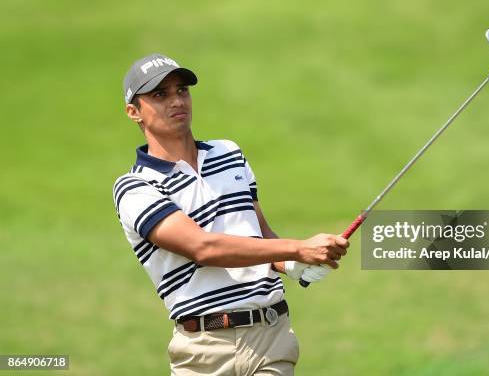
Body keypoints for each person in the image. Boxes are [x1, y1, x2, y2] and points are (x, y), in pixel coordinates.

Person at [112, 53, 349, 375]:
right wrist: (298, 247)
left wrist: (295, 264)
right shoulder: (135, 188)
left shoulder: (229, 154)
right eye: (160, 95)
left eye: (181, 90)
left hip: (271, 336)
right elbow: (203, 248)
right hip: (205, 349)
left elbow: (259, 235)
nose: (176, 100)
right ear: (133, 112)